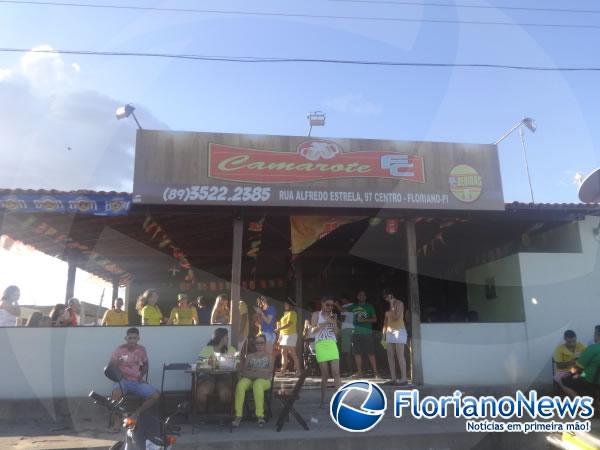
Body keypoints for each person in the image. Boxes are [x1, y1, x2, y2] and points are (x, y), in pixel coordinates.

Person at [108, 327, 160, 424]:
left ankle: (135, 414)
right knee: (116, 394)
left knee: (155, 395)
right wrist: (118, 363)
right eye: (130, 338)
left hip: (136, 381)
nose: (132, 340)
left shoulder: (141, 350)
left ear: (138, 338)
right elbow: (110, 366)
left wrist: (141, 375)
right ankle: (117, 423)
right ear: (126, 338)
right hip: (121, 380)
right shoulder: (119, 350)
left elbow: (145, 364)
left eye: (134, 338)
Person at [232, 334, 274, 428]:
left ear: (265, 344)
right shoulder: (250, 356)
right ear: (255, 344)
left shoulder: (269, 357)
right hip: (250, 380)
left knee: (258, 383)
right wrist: (259, 372)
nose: (259, 345)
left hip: (264, 382)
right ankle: (238, 415)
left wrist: (253, 370)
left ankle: (260, 415)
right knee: (241, 384)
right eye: (257, 343)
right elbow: (245, 372)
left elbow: (268, 373)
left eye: (262, 343)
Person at [310, 296, 341, 407]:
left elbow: (337, 333)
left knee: (336, 372)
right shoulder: (315, 315)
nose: (329, 307)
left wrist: (332, 321)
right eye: (327, 304)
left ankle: (339, 400)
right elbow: (312, 330)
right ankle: (322, 400)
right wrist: (322, 324)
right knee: (325, 375)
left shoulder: (333, 315)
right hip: (320, 344)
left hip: (332, 343)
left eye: (331, 305)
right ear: (322, 304)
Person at [196, 327, 236, 412]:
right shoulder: (207, 349)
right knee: (201, 393)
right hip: (208, 376)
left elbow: (238, 365)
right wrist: (209, 363)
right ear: (220, 338)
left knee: (225, 394)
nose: (228, 338)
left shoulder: (231, 349)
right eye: (226, 336)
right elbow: (199, 364)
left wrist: (229, 363)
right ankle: (203, 414)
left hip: (224, 377)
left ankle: (219, 413)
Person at [562, 326, 600, 397]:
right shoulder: (560, 348)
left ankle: (580, 401)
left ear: (598, 335)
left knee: (564, 381)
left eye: (595, 334)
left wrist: (569, 374)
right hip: (593, 378)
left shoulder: (592, 348)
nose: (593, 336)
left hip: (589, 380)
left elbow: (577, 368)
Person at [350, 290, 379, 378]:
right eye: (360, 295)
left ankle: (376, 373)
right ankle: (360, 373)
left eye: (364, 295)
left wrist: (364, 320)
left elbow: (375, 319)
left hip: (367, 333)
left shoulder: (369, 306)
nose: (362, 296)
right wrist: (336, 305)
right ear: (357, 297)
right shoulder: (353, 306)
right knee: (357, 353)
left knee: (370, 353)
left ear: (366, 297)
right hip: (355, 332)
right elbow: (342, 311)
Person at [382, 288, 408, 385]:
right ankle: (393, 378)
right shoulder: (388, 306)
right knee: (390, 355)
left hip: (399, 331)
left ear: (391, 295)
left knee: (399, 354)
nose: (386, 299)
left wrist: (392, 304)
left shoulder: (399, 303)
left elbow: (396, 317)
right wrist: (383, 333)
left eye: (387, 297)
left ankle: (404, 378)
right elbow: (385, 322)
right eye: (385, 298)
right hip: (389, 332)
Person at [275, 299, 300, 376]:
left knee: (292, 353)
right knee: (283, 352)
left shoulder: (293, 313)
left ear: (290, 305)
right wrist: (279, 337)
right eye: (285, 304)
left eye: (286, 304)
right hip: (284, 335)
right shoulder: (285, 314)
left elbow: (290, 324)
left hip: (291, 334)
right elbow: (281, 326)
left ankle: (298, 371)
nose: (285, 305)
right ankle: (283, 371)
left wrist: (279, 329)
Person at [336, 294, 354, 376]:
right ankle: (355, 370)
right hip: (354, 329)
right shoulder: (354, 305)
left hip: (346, 329)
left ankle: (350, 371)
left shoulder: (346, 306)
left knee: (346, 351)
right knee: (354, 352)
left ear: (345, 299)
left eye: (342, 300)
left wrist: (335, 320)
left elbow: (342, 319)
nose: (341, 301)